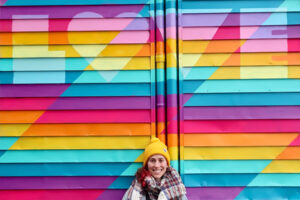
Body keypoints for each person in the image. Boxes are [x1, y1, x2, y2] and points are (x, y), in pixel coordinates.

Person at [122, 137, 187, 200]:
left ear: (167, 164)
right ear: (147, 164)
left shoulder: (176, 185)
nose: (156, 165)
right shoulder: (138, 185)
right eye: (152, 160)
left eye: (161, 160)